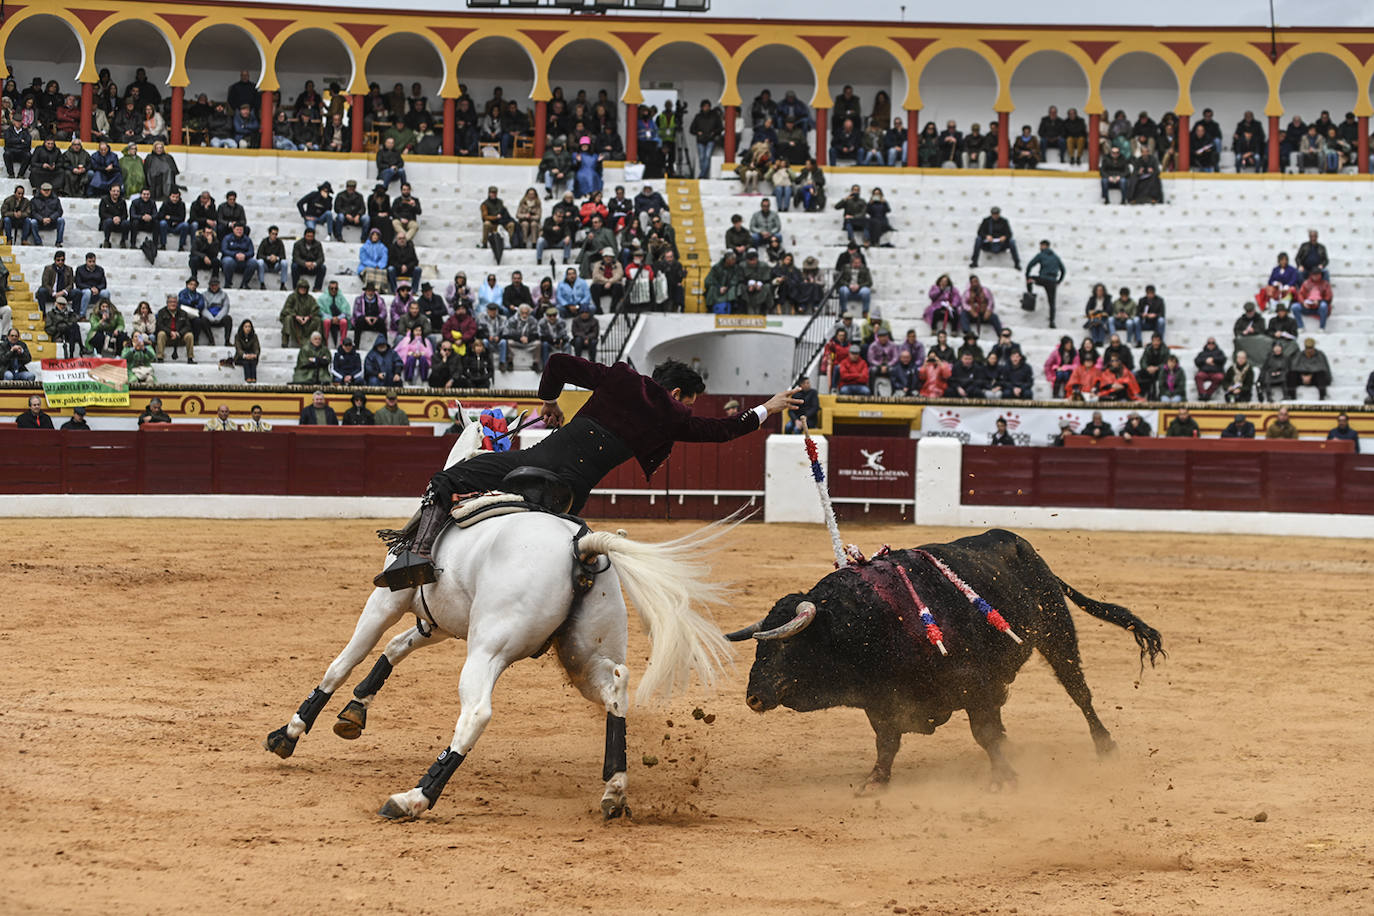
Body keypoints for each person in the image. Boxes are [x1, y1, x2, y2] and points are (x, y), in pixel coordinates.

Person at [388, 356, 801, 582]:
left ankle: (419, 554)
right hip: (572, 494)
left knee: (449, 477)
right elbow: (722, 430)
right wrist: (768, 407)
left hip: (533, 463)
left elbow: (557, 363)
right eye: (688, 400)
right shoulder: (673, 416)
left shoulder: (621, 377)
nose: (686, 407)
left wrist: (550, 401)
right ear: (677, 393)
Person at [1025, 239, 1065, 327]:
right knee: (1052, 302)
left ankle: (1030, 296)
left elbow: (1030, 265)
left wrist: (1027, 275)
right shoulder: (1056, 257)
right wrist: (1059, 281)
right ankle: (1052, 322)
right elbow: (1063, 270)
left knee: (1030, 279)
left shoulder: (1041, 255)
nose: (1040, 248)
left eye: (1041, 246)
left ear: (1044, 246)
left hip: (1042, 279)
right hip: (1052, 282)